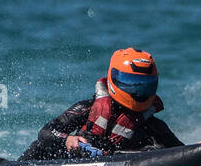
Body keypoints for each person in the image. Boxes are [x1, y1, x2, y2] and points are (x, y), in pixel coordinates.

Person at [22, 47, 183, 159]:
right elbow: (47, 131)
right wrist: (67, 139)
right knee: (40, 146)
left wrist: (196, 150)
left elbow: (180, 152)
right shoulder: (86, 108)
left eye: (144, 85)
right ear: (113, 78)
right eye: (130, 83)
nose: (137, 91)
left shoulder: (153, 126)